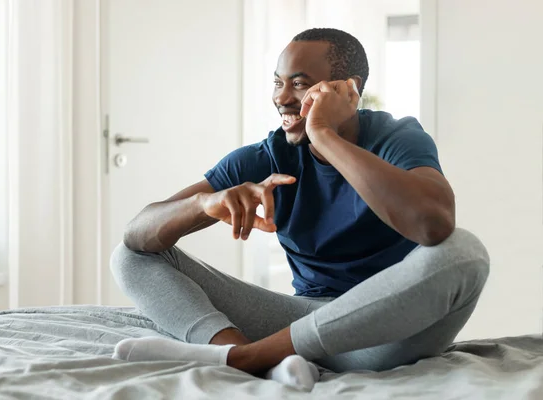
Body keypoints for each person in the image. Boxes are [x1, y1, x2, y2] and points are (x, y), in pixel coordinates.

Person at [110, 28, 489, 391]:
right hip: (301, 321)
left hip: (386, 334)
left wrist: (323, 133)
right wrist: (203, 204)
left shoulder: (396, 137)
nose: (282, 98)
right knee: (130, 256)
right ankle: (234, 350)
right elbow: (137, 233)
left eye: (300, 83)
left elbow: (435, 226)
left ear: (348, 91)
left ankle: (250, 359)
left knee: (465, 253)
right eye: (278, 82)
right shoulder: (266, 156)